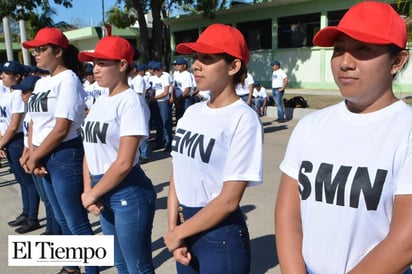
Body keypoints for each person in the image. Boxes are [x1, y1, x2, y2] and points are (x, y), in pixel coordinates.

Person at [275, 2, 412, 274]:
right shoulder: (310, 126)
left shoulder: (405, 130)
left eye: (363, 49)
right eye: (338, 49)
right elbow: (288, 215)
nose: (345, 62)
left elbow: (405, 242)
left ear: (397, 61)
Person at [163, 23, 263, 274]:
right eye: (196, 57)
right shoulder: (192, 112)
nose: (196, 65)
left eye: (207, 58)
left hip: (220, 236)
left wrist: (179, 232)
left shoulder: (243, 119)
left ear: (234, 66)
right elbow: (179, 171)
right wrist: (174, 229)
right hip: (185, 230)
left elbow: (229, 200)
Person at [22, 27, 99, 274]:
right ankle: (71, 265)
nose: (36, 54)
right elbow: (34, 120)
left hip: (64, 154)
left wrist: (35, 156)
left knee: (75, 220)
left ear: (59, 51)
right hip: (43, 154)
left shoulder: (68, 79)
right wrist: (29, 151)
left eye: (42, 49)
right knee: (60, 217)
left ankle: (91, 270)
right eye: (35, 50)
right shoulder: (43, 81)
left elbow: (61, 127)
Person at [78, 36, 156, 274]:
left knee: (137, 268)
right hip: (102, 191)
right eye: (94, 63)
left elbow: (123, 163)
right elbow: (88, 150)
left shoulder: (131, 102)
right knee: (120, 264)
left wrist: (92, 193)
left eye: (102, 63)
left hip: (128, 192)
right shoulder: (101, 101)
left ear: (122, 65)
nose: (95, 69)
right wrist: (87, 190)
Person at [16, 75, 62, 236]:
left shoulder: (44, 114)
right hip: (32, 156)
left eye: (25, 93)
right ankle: (52, 228)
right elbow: (28, 136)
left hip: (42, 157)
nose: (22, 96)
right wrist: (25, 154)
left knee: (50, 199)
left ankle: (54, 229)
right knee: (45, 197)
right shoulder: (30, 113)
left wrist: (34, 157)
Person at [1, 61, 41, 234]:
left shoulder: (18, 95)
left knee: (27, 181)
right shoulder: (6, 94)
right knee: (20, 180)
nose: (2, 75)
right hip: (6, 141)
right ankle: (25, 212)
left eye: (6, 73)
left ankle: (33, 217)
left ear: (17, 76)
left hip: (16, 140)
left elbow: (13, 125)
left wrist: (2, 142)